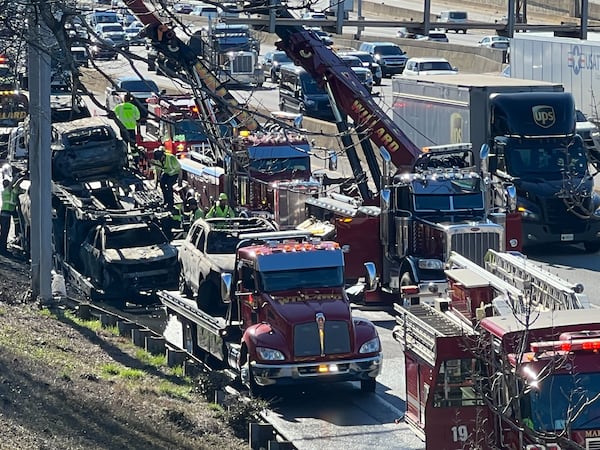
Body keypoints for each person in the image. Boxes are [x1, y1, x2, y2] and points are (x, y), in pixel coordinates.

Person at [0, 178, 16, 255]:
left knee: (4, 232)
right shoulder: (7, 190)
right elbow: (12, 184)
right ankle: (3, 250)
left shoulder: (7, 192)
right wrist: (17, 176)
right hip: (5, 215)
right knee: (4, 232)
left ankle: (3, 248)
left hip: (6, 215)